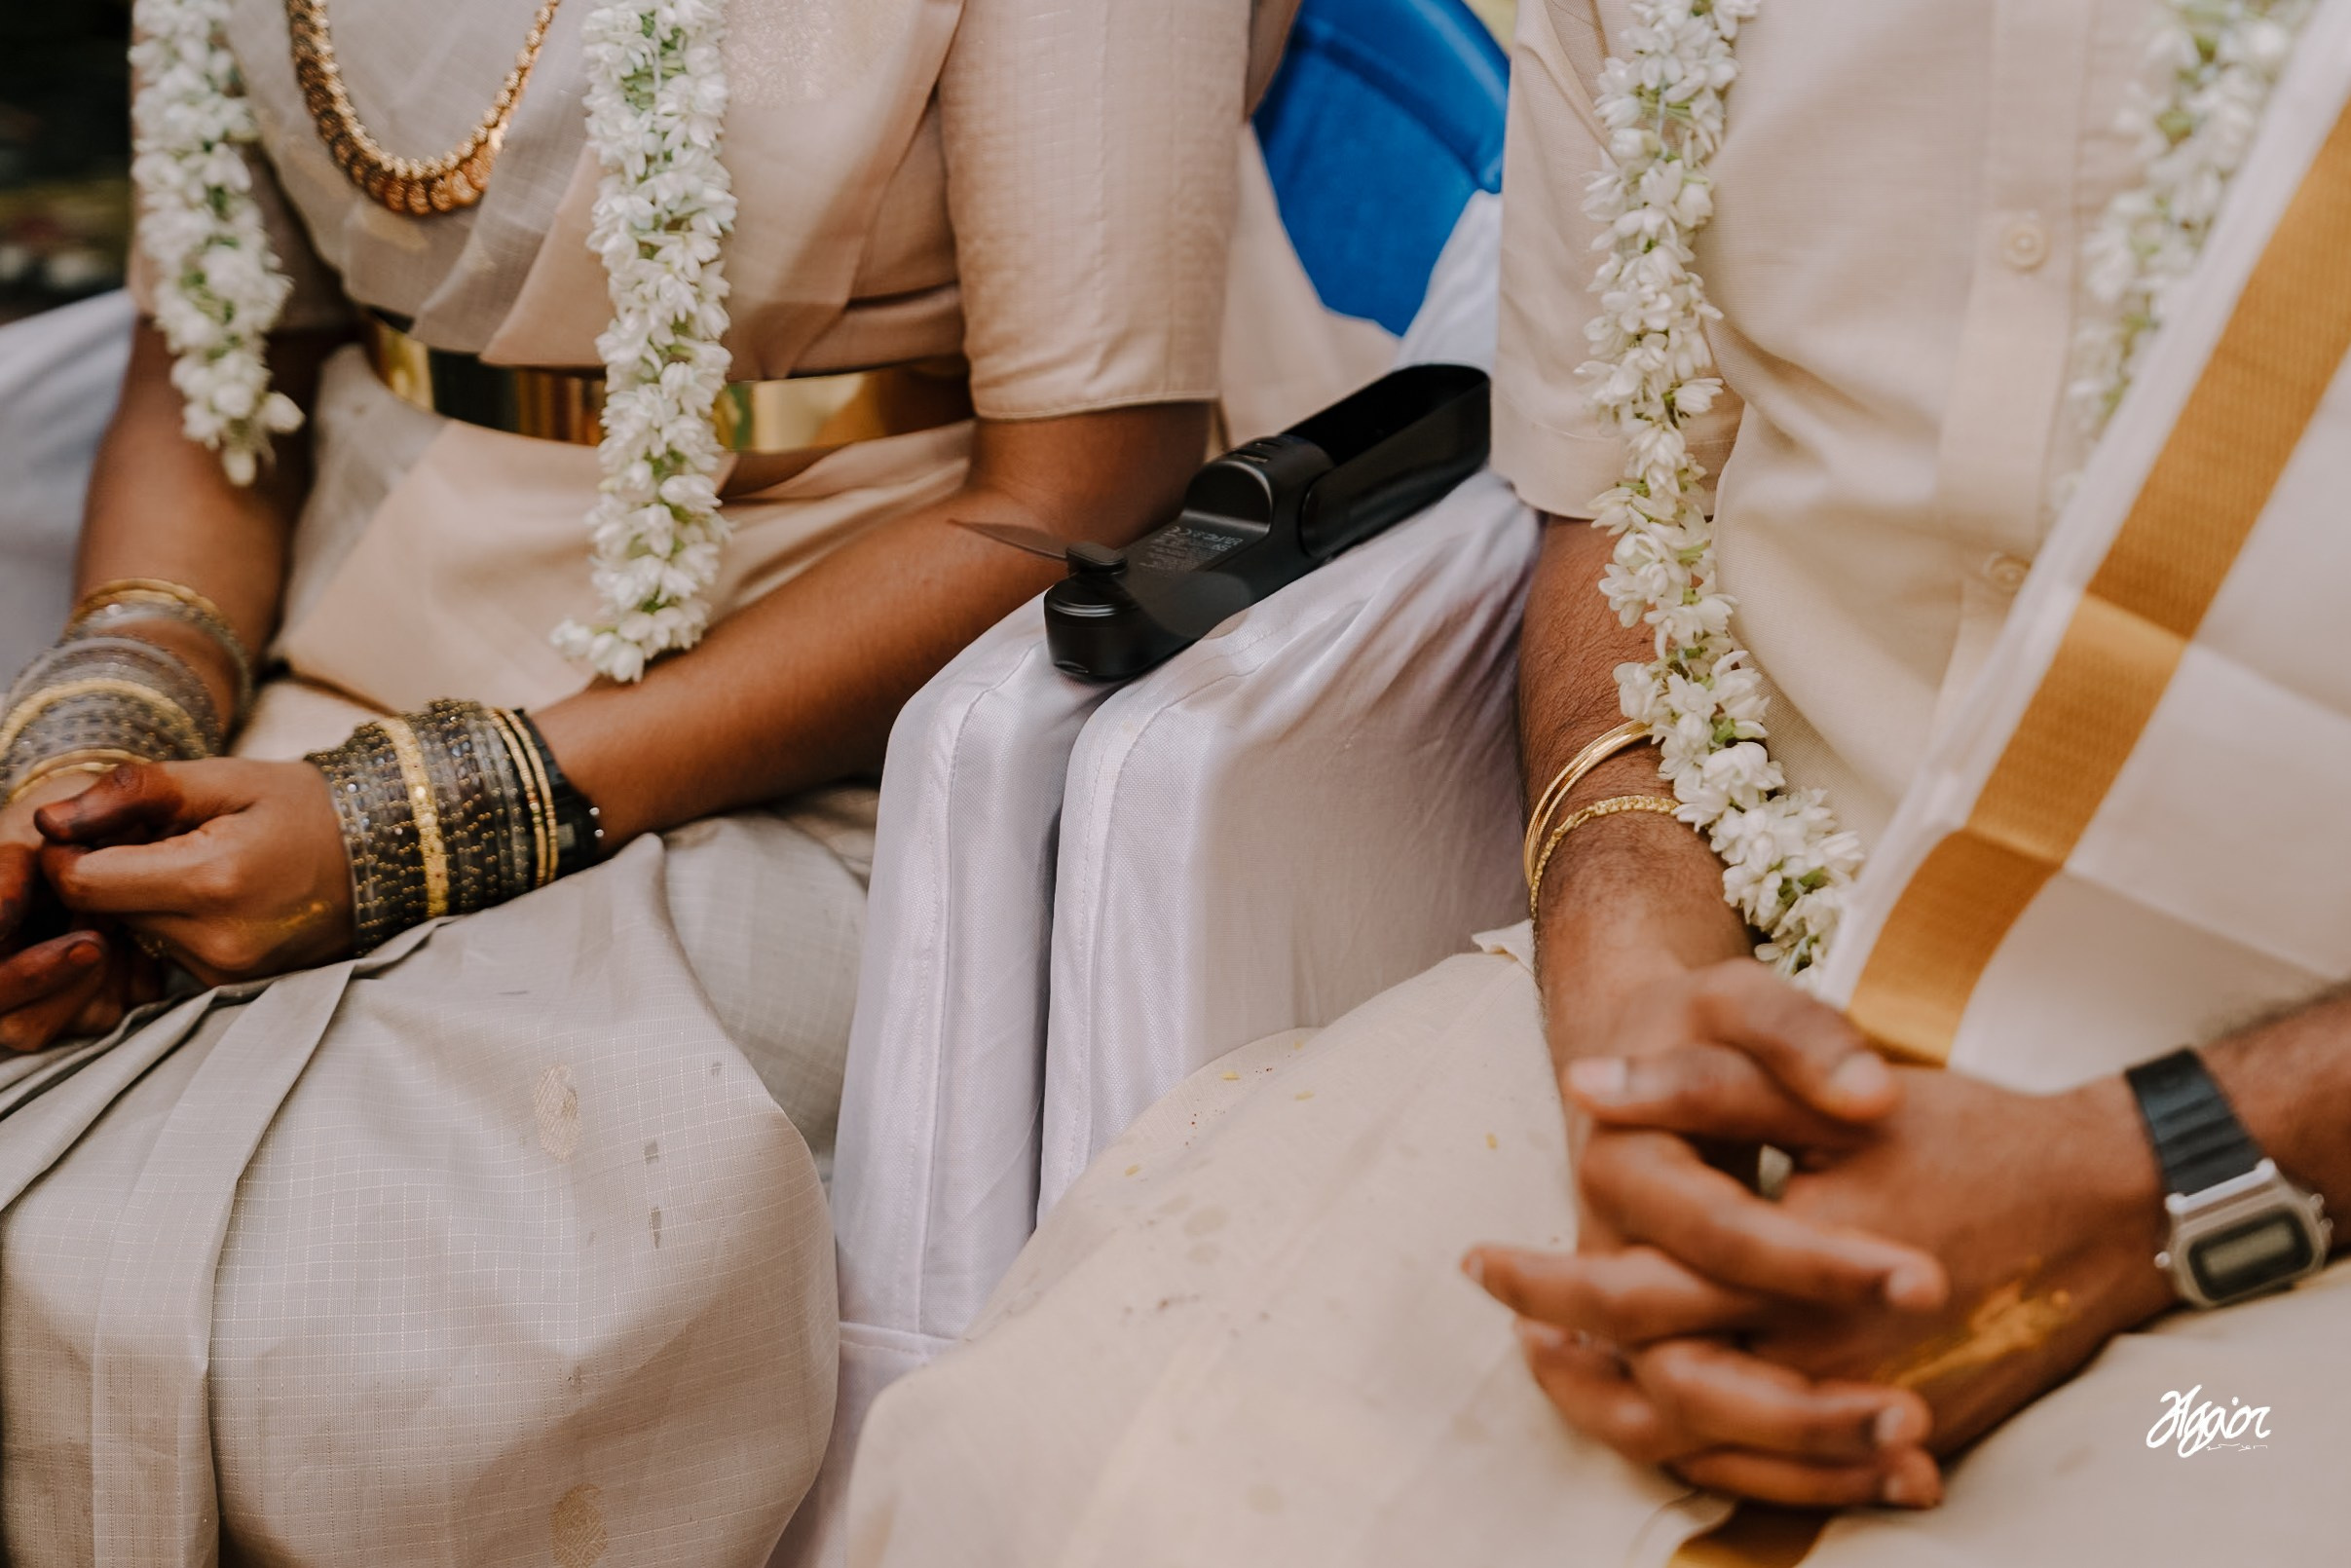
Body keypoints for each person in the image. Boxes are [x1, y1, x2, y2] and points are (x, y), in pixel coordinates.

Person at [841, 1, 2351, 1563]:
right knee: (1023, 1484)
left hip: (2281, 1181)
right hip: (1738, 985)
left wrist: (2159, 1171)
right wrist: (1630, 992)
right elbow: (1614, 491)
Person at [0, 0, 1307, 1559]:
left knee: (351, 1355)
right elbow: (218, 362)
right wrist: (96, 750)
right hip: (330, 660)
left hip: (818, 719)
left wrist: (423, 818)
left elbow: (1078, 494)